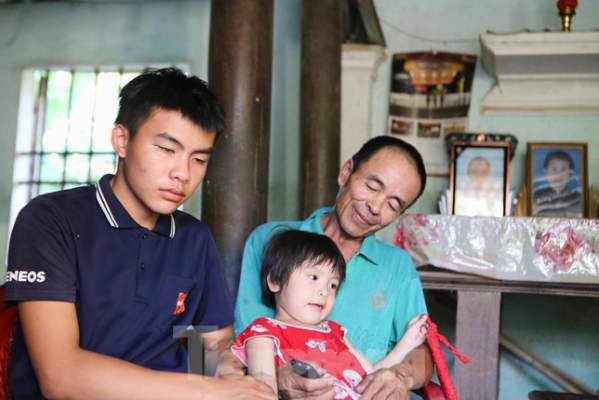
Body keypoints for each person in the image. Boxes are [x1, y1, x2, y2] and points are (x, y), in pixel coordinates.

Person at [2, 68, 275, 400]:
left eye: (199, 159)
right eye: (166, 149)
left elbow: (206, 344)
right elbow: (61, 376)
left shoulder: (194, 239)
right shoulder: (52, 220)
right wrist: (208, 392)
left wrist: (235, 379)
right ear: (122, 140)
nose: (183, 173)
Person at [234, 135, 434, 400]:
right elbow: (242, 343)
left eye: (393, 204)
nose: (375, 207)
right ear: (346, 172)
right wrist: (277, 378)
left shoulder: (398, 266)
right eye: (372, 186)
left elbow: (423, 352)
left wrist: (400, 376)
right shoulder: (271, 240)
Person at [231, 229, 429, 399]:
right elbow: (262, 391)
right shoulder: (264, 331)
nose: (324, 291)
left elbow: (372, 378)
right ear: (275, 281)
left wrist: (406, 344)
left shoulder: (335, 332)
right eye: (313, 277)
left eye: (332, 285)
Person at [533, 150, 582, 217]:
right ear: (545, 172)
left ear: (570, 174)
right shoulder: (535, 196)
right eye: (554, 169)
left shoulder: (578, 197)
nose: (558, 174)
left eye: (563, 170)